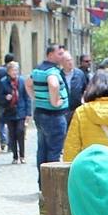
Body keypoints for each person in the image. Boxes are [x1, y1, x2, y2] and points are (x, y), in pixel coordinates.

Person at [28, 44, 70, 190]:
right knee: (54, 151)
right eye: (59, 54)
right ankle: (53, 186)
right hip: (54, 115)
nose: (62, 56)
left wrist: (36, 98)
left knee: (42, 149)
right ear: (50, 55)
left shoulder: (38, 69)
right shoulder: (52, 71)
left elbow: (28, 83)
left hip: (40, 113)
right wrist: (55, 101)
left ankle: (43, 184)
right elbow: (53, 84)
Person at [0, 60, 32, 164]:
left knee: (20, 131)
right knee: (12, 134)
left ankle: (22, 155)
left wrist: (28, 112)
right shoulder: (3, 82)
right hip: (9, 111)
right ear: (8, 71)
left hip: (20, 111)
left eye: (16, 70)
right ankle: (15, 156)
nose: (15, 72)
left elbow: (27, 97)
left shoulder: (22, 81)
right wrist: (5, 98)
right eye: (13, 70)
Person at [66, 51, 90, 119]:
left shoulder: (86, 73)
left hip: (79, 107)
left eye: (89, 61)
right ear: (81, 62)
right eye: (86, 61)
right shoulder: (79, 74)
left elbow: (85, 90)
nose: (89, 63)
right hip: (69, 108)